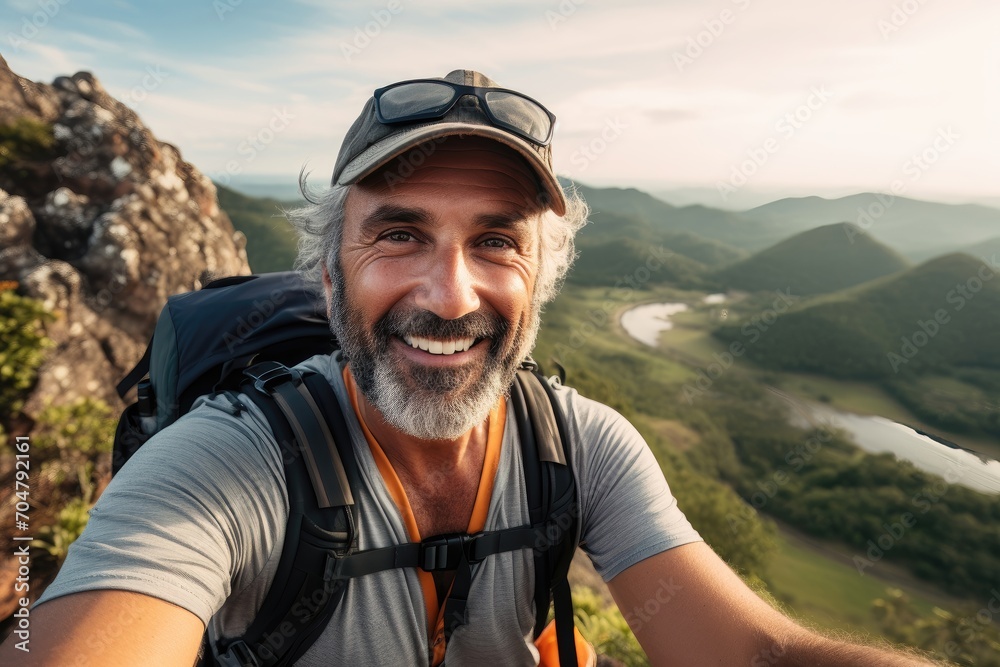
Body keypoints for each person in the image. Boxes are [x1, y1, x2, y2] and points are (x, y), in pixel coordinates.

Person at [2, 70, 937, 666]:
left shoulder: (582, 446)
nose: (451, 297)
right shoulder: (228, 465)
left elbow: (758, 652)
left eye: (496, 242)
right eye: (400, 233)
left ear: (542, 280)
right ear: (330, 277)